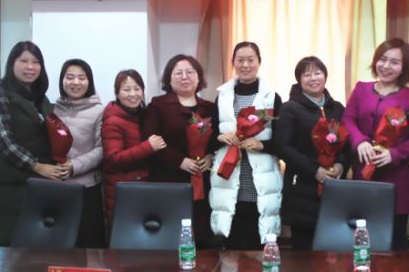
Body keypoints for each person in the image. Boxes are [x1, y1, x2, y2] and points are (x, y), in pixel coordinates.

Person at [343, 38, 409, 250]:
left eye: (395, 62)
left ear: (403, 67)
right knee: (360, 243)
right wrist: (360, 141)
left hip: (396, 180)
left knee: (394, 249)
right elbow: (348, 120)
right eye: (383, 59)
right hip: (363, 177)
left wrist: (395, 154)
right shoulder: (361, 89)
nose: (387, 66)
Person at [0, 41, 69, 246]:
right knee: (8, 255)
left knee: (39, 254)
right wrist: (37, 166)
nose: (30, 66)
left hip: (37, 189)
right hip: (7, 192)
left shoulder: (41, 100)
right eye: (24, 61)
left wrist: (61, 161)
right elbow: (4, 141)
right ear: (12, 64)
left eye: (36, 62)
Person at [209, 42, 284, 250]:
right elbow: (211, 135)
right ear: (233, 62)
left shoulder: (271, 98)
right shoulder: (223, 97)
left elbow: (281, 141)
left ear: (259, 62)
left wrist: (261, 144)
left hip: (260, 178)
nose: (245, 65)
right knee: (232, 245)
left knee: (260, 241)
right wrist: (220, 137)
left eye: (251, 60)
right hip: (228, 176)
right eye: (240, 60)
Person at [273, 56, 349, 250]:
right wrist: (314, 170)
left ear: (325, 76)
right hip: (302, 187)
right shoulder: (289, 108)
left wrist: (341, 165)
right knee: (303, 252)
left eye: (317, 73)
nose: (313, 78)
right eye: (307, 74)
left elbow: (347, 144)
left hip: (334, 188)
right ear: (299, 80)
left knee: (333, 252)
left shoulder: (337, 108)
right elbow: (283, 147)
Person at [143, 54, 215, 246]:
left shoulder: (209, 108)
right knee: (170, 236)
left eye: (190, 72)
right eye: (178, 73)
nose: (185, 77)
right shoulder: (158, 105)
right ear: (169, 78)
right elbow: (150, 140)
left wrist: (210, 156)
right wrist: (179, 161)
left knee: (201, 235)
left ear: (199, 77)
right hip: (168, 179)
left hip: (202, 181)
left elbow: (216, 142)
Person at [102, 69, 166, 232]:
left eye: (137, 89)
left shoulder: (140, 114)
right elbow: (113, 159)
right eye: (126, 89)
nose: (133, 94)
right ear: (117, 94)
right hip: (122, 190)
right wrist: (148, 147)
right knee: (124, 238)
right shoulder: (113, 120)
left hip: (138, 186)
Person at [52, 59, 106, 247]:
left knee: (88, 246)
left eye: (81, 78)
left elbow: (101, 149)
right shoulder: (53, 109)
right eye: (70, 77)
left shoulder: (99, 111)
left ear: (89, 81)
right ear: (62, 80)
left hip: (87, 187)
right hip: (56, 186)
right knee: (59, 245)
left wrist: (73, 166)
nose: (75, 82)